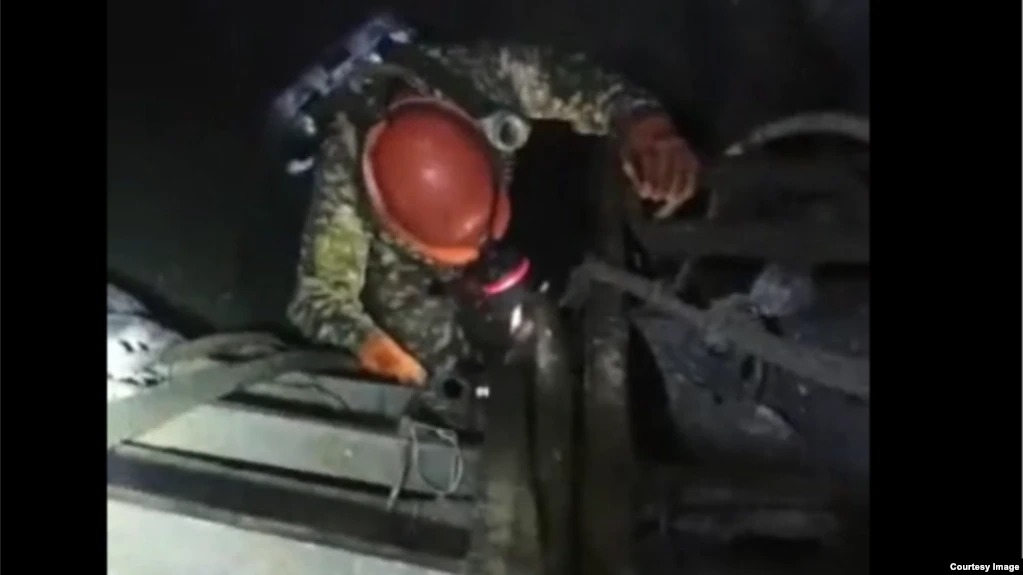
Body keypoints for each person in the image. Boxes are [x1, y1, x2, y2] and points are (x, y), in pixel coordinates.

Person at [285, 21, 700, 388]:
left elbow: (576, 83)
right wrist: (377, 352)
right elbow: (318, 301)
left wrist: (645, 127)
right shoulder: (345, 176)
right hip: (405, 288)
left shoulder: (478, 81)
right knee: (430, 352)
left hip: (481, 201)